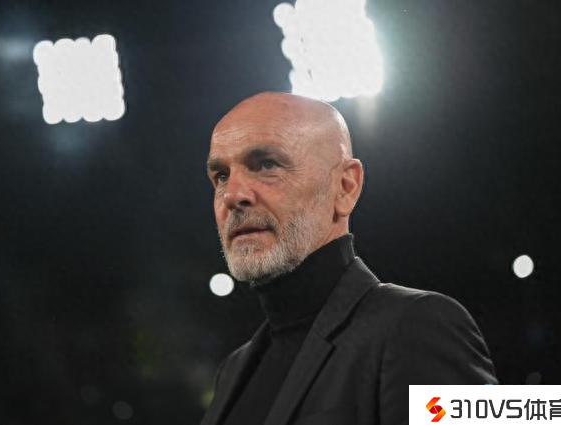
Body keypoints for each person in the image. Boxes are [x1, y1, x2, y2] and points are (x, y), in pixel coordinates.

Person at [201, 92, 497, 425]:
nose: (233, 195)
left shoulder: (417, 327)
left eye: (267, 164)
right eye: (221, 176)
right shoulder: (233, 370)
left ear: (345, 187)